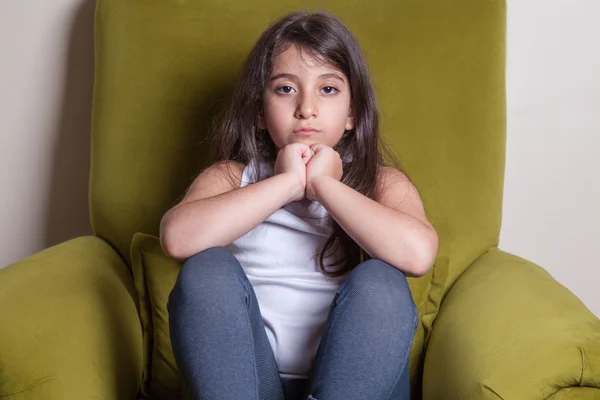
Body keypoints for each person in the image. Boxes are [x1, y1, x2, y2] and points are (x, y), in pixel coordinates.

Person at [159, 10, 438, 400]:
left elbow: (418, 254)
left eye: (328, 89)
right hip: (251, 385)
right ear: (259, 110)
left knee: (383, 283)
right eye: (286, 89)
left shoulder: (380, 183)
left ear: (353, 114)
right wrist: (288, 183)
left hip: (354, 385)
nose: (307, 108)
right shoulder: (232, 178)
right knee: (206, 270)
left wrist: (324, 185)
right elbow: (177, 238)